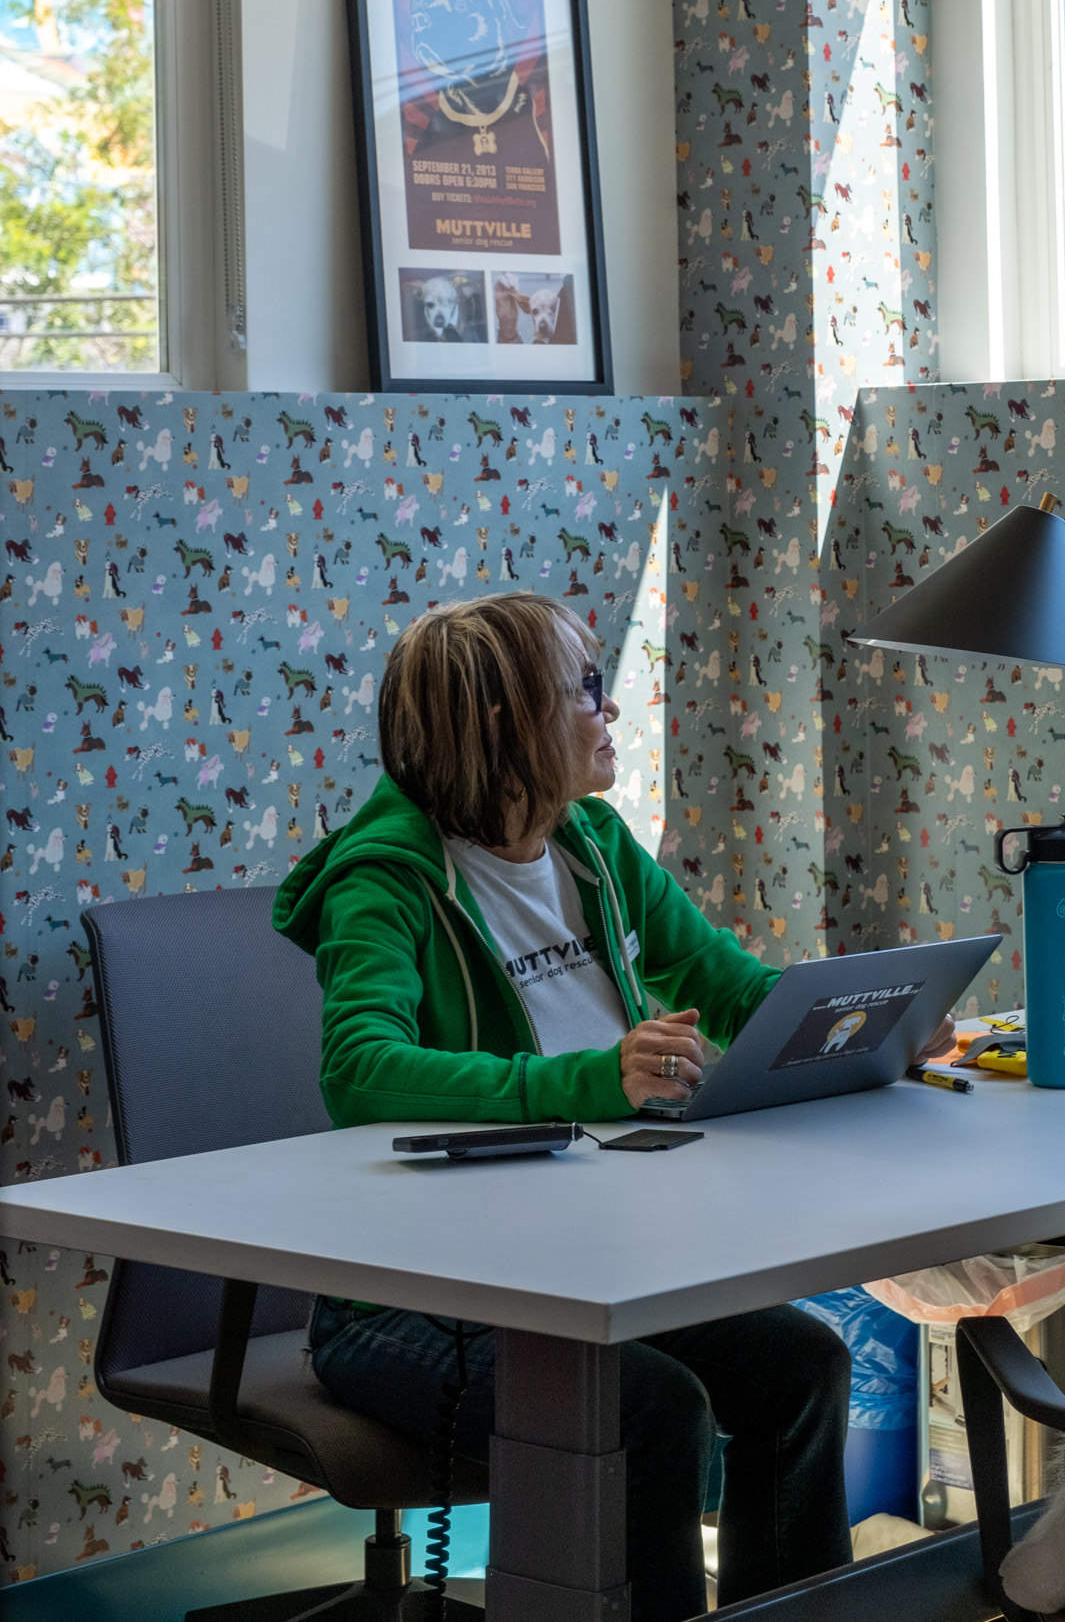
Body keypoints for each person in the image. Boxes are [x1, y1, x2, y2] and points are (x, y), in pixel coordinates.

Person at [274, 592, 952, 1622]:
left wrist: (872, 1026)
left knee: (803, 1362)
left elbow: (726, 983)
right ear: (506, 721)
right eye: (584, 688)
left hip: (591, 1261)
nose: (609, 708)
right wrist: (595, 1075)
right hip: (418, 1304)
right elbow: (360, 1069)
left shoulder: (589, 842)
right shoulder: (390, 878)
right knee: (653, 1404)